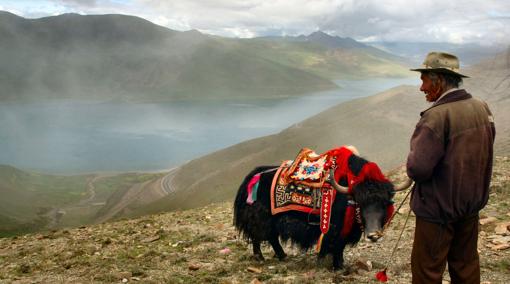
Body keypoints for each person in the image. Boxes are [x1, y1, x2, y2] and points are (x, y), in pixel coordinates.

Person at [406, 51, 495, 283]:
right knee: (465, 266)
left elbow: (418, 169)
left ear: (439, 80)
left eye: (424, 80)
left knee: (427, 272)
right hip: (470, 207)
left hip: (438, 211)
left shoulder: (436, 116)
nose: (422, 87)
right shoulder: (482, 108)